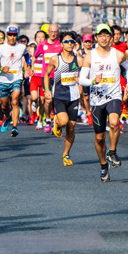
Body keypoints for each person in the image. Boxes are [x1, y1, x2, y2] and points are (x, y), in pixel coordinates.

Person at [79, 24, 128, 182]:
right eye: (100, 35)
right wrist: (91, 81)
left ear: (111, 37)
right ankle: (103, 165)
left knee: (115, 123)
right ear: (96, 38)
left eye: (107, 35)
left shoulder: (118, 54)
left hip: (114, 95)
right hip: (97, 100)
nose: (104, 38)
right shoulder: (90, 56)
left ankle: (113, 151)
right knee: (99, 137)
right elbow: (82, 79)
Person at [44, 31, 85, 166]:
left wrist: (81, 82)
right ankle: (57, 122)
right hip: (59, 96)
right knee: (64, 121)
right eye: (67, 41)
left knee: (71, 128)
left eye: (72, 41)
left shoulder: (78, 59)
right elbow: (46, 74)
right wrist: (47, 90)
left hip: (73, 97)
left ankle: (66, 154)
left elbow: (85, 73)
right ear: (62, 44)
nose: (69, 44)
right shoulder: (56, 59)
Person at [0, 26, 31, 137]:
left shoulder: (21, 47)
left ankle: (15, 127)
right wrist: (2, 68)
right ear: (6, 35)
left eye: (14, 35)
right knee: (4, 105)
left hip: (17, 77)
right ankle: (7, 117)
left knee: (15, 100)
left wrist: (28, 66)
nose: (12, 37)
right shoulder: (0, 48)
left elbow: (27, 56)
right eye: (10, 35)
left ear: (17, 35)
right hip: (4, 79)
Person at [34, 23, 62, 133]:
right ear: (48, 32)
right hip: (46, 76)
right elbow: (35, 56)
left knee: (57, 100)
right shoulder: (42, 45)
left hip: (59, 76)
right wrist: (30, 68)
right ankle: (48, 120)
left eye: (55, 32)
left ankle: (57, 118)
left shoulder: (61, 44)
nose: (53, 34)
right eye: (51, 31)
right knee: (48, 100)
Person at [29, 30, 47, 129]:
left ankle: (40, 120)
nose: (40, 39)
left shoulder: (47, 49)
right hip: (35, 77)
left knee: (43, 100)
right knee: (35, 97)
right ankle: (34, 103)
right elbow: (29, 61)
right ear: (35, 39)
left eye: (42, 37)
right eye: (38, 37)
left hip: (44, 77)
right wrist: (30, 67)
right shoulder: (32, 49)